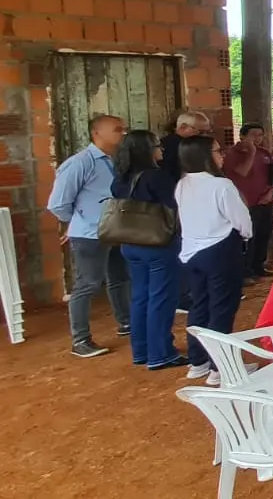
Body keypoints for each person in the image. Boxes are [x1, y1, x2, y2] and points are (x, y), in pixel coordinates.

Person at [47, 114, 130, 358]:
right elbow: (58, 203)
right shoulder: (80, 163)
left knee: (119, 278)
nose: (122, 134)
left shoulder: (115, 161)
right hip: (90, 234)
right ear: (97, 133)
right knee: (88, 284)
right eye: (117, 129)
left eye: (123, 129)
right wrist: (77, 222)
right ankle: (80, 339)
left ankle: (126, 322)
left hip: (116, 229)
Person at [175, 136, 254, 385]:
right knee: (222, 307)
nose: (222, 155)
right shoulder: (222, 185)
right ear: (205, 156)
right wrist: (245, 236)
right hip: (220, 249)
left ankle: (198, 361)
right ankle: (221, 368)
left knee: (200, 305)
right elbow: (241, 220)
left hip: (192, 252)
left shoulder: (182, 184)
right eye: (218, 151)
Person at [109, 129, 185, 370]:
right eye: (156, 145)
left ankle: (141, 350)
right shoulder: (156, 177)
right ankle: (161, 353)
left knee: (140, 296)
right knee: (161, 299)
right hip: (158, 244)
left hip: (130, 243)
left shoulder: (119, 178)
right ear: (146, 150)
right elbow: (173, 207)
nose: (161, 149)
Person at [222, 123, 273, 280]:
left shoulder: (264, 153)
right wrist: (251, 153)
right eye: (253, 135)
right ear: (242, 136)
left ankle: (258, 266)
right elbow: (241, 172)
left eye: (260, 135)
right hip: (245, 203)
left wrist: (271, 191)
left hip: (264, 201)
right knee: (247, 238)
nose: (258, 138)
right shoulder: (231, 154)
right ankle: (245, 272)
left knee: (263, 234)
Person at [160, 111, 210, 179]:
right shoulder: (177, 146)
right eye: (200, 132)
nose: (205, 136)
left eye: (208, 132)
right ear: (183, 127)